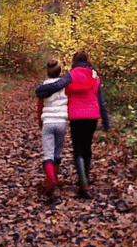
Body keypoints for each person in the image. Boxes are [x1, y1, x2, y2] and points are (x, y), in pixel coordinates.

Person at [35, 51, 110, 199]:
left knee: (78, 150)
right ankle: (84, 182)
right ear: (88, 60)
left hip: (76, 117)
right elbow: (101, 100)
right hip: (92, 117)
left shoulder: (71, 75)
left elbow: (57, 86)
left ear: (74, 60)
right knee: (87, 148)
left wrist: (40, 91)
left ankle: (83, 183)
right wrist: (106, 121)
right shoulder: (94, 76)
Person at [37, 60, 68, 194]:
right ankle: (54, 177)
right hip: (61, 122)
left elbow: (40, 107)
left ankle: (50, 180)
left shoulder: (43, 87)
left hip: (48, 122)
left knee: (48, 153)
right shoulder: (65, 87)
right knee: (57, 152)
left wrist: (40, 121)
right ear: (60, 72)